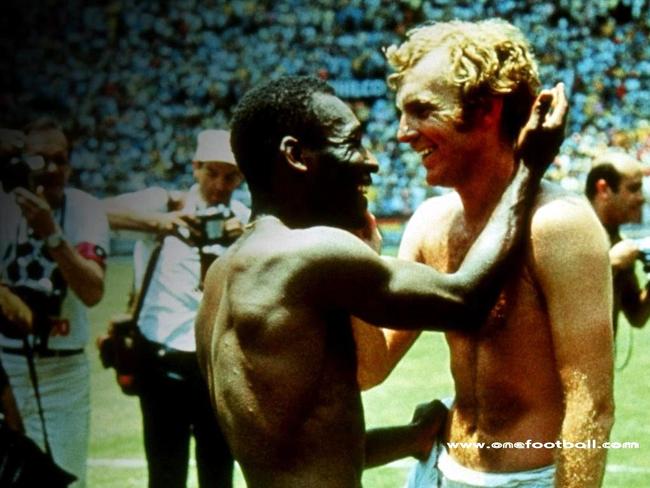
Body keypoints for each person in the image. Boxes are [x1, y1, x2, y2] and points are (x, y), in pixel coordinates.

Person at [194, 74, 567, 487]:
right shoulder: (307, 254)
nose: (370, 161)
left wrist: (411, 438)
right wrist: (529, 167)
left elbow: (297, 451)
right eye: (351, 143)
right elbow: (466, 298)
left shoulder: (220, 278)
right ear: (297, 156)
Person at [365, 19, 614, 487]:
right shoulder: (430, 223)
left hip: (531, 479)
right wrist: (352, 248)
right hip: (439, 471)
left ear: (486, 111)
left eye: (421, 110)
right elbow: (369, 367)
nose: (403, 133)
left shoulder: (559, 225)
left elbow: (591, 405)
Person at [104, 129, 249, 488]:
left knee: (217, 472)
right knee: (165, 472)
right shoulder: (164, 203)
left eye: (230, 175)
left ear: (241, 177)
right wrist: (159, 223)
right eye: (211, 172)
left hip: (214, 361)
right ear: (195, 167)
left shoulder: (244, 217)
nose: (219, 184)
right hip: (160, 358)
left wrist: (243, 235)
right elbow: (97, 211)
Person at [0, 119, 109, 487]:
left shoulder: (84, 209)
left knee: (67, 478)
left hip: (63, 372)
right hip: (6, 367)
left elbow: (92, 292)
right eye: (39, 160)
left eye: (60, 160)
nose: (51, 170)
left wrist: (52, 233)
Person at [586, 151, 650, 334]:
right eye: (633, 189)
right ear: (603, 189)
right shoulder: (568, 230)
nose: (641, 197)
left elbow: (637, 315)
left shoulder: (620, 243)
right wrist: (611, 264)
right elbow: (562, 300)